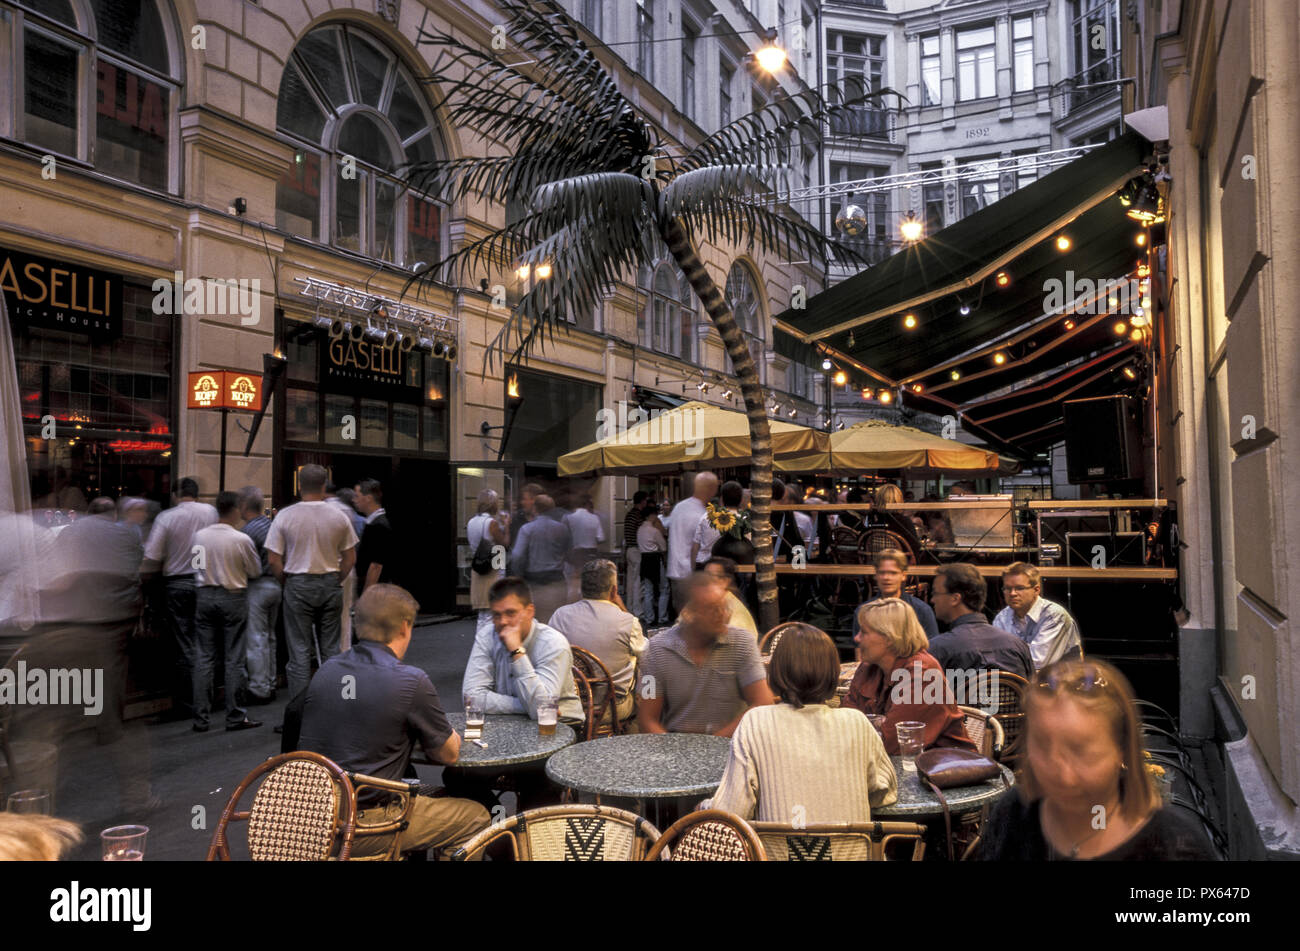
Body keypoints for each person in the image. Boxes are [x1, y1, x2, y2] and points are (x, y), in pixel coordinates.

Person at [296, 584, 491, 858]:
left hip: (311, 818)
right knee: (475, 817)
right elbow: (449, 753)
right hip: (363, 824)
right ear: (404, 627)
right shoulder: (410, 680)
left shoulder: (326, 671)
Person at [980, 659, 1217, 861]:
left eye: (1082, 752)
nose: (1063, 775)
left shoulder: (1174, 848)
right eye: (1042, 746)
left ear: (1122, 750)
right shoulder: (1014, 813)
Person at [703, 624, 896, 822]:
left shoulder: (755, 722)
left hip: (772, 853)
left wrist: (702, 807)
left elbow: (732, 811)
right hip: (854, 851)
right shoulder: (857, 723)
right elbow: (884, 791)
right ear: (832, 673)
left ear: (777, 671)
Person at [637, 571, 775, 736]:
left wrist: (712, 744)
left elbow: (763, 703)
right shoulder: (657, 650)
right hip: (676, 747)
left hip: (730, 748)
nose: (724, 614)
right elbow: (647, 719)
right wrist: (673, 756)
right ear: (688, 614)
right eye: (713, 609)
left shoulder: (741, 643)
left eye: (725, 606)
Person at [265, 463, 358, 704]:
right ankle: (330, 708)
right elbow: (350, 557)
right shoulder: (338, 516)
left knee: (299, 653)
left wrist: (286, 580)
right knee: (330, 649)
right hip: (329, 581)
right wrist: (336, 578)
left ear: (299, 485)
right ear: (324, 485)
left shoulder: (286, 515)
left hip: (297, 583)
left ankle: (300, 712)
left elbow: (274, 559)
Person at [841, 598, 976, 755]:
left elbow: (891, 744)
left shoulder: (923, 673)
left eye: (864, 632)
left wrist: (870, 727)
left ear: (890, 638)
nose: (856, 638)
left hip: (945, 768)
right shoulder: (869, 667)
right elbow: (844, 726)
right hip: (894, 766)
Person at [141, 477, 217, 716]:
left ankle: (190, 702)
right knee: (206, 643)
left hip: (178, 584)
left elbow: (152, 555)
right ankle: (207, 697)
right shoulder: (211, 513)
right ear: (197, 493)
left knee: (185, 645)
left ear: (175, 495)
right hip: (205, 581)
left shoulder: (167, 517)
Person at [461, 576, 583, 722]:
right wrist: (525, 706)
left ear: (530, 611)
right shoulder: (487, 635)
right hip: (509, 721)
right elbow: (471, 698)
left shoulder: (552, 643)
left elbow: (542, 715)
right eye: (496, 615)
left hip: (562, 724)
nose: (503, 622)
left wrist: (517, 651)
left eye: (511, 613)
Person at [191, 491, 263, 733]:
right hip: (233, 596)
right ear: (236, 509)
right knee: (234, 658)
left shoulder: (199, 536)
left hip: (204, 595)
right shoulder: (240, 539)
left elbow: (197, 566)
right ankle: (234, 716)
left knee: (204, 657)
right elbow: (254, 571)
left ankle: (201, 718)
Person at [548, 559, 646, 724]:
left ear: (582, 588)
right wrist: (623, 609)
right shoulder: (627, 622)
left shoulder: (560, 615)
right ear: (614, 591)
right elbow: (649, 656)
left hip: (569, 706)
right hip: (610, 708)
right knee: (646, 691)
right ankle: (631, 744)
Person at [926, 563, 1034, 682]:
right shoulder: (1018, 646)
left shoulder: (936, 650)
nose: (932, 599)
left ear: (955, 598)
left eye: (935, 593)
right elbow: (1033, 694)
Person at [992, 562, 1083, 670]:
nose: (1012, 593)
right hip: (1019, 681)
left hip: (1060, 684)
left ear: (1036, 590)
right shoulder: (1002, 617)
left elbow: (1036, 663)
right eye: (1007, 588)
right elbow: (993, 655)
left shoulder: (1055, 616)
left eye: (1019, 588)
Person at [238, 487, 280, 703]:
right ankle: (270, 682)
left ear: (244, 506)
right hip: (276, 585)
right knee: (270, 637)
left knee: (256, 639)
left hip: (257, 586)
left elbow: (243, 565)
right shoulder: (270, 524)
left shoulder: (247, 532)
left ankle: (259, 688)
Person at [851, 548, 938, 642]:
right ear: (875, 575)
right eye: (882, 573)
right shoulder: (863, 612)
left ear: (903, 575)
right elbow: (860, 653)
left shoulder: (921, 611)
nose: (886, 578)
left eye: (893, 573)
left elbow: (931, 651)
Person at [509, 494, 572, 623]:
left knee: (534, 621)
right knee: (555, 620)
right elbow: (569, 552)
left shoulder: (527, 529)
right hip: (557, 580)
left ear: (535, 509)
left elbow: (517, 556)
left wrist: (518, 574)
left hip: (534, 581)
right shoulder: (562, 528)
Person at [666, 471, 718, 613]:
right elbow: (697, 547)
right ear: (710, 489)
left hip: (675, 571)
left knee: (681, 618)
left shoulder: (679, 507)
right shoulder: (703, 514)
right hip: (692, 573)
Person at [326, 484, 363, 650]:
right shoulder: (351, 514)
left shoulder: (328, 510)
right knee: (345, 615)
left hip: (331, 567)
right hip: (347, 568)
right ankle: (343, 651)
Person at [467, 488, 509, 631]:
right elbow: (504, 543)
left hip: (478, 568)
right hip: (494, 568)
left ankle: (481, 642)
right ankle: (487, 644)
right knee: (492, 611)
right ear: (493, 504)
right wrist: (507, 525)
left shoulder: (472, 521)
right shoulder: (491, 523)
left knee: (482, 613)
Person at [353, 479, 395, 596]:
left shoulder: (379, 525)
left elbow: (376, 565)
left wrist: (366, 596)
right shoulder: (372, 522)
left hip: (377, 591)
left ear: (368, 498)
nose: (354, 500)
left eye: (357, 496)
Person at [690, 479, 743, 568]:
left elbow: (695, 545)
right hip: (733, 568)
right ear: (741, 500)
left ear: (721, 498)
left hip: (704, 565)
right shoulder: (743, 520)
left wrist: (693, 569)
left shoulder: (706, 517)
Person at [702, 556, 758, 640]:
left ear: (725, 581)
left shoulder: (736, 612)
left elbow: (736, 644)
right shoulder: (701, 599)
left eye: (710, 576)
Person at [562, 493, 605, 602]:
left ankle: (572, 605)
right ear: (587, 504)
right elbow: (601, 538)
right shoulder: (595, 518)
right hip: (591, 553)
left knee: (574, 582)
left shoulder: (569, 518)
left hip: (575, 553)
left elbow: (563, 536)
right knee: (590, 581)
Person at [622, 491, 653, 623]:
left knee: (630, 581)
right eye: (646, 500)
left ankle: (629, 608)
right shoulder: (638, 516)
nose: (646, 503)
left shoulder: (629, 514)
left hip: (629, 549)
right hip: (636, 550)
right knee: (637, 582)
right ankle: (637, 611)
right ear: (642, 501)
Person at [637, 502, 669, 626]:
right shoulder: (654, 531)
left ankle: (649, 617)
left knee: (648, 591)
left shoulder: (640, 530)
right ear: (651, 515)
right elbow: (663, 547)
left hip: (644, 560)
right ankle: (662, 617)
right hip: (655, 560)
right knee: (664, 588)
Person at [867, 483, 921, 555]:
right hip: (899, 563)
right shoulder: (904, 521)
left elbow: (861, 541)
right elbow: (916, 546)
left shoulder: (873, 520)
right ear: (899, 500)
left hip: (874, 562)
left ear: (878, 500)